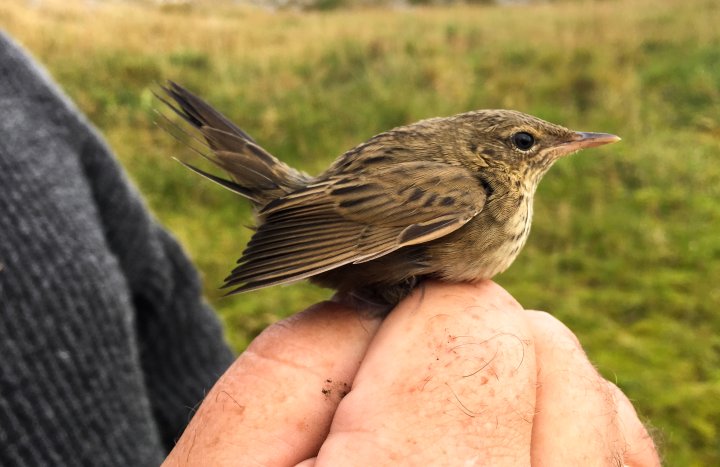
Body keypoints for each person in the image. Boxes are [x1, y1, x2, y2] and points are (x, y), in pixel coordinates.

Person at [0, 32, 660, 466]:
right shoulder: (461, 191)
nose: (544, 149)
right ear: (489, 151)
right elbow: (337, 217)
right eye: (526, 142)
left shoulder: (486, 186)